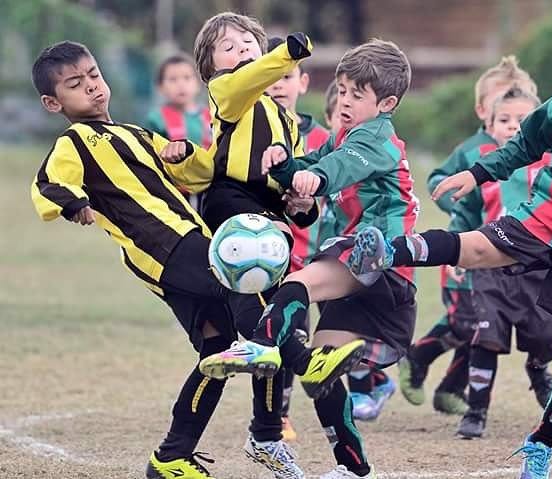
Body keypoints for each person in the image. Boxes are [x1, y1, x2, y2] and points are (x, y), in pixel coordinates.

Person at [348, 15, 552, 479]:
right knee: (479, 248)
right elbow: (521, 149)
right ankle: (388, 250)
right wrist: (476, 173)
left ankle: (541, 443)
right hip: (543, 219)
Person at [29, 40, 356, 479]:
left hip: (185, 244)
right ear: (53, 103)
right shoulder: (75, 140)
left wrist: (183, 154)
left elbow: (200, 173)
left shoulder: (137, 134)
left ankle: (171, 456)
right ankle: (304, 363)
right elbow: (49, 180)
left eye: (93, 76)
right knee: (252, 289)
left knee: (217, 349)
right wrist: (72, 204)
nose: (91, 87)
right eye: (75, 84)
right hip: (167, 245)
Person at [158, 13, 368, 479]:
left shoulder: (285, 119)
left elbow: (298, 203)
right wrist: (285, 52)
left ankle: (268, 434)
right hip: (231, 207)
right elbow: (248, 81)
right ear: (210, 67)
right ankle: (305, 365)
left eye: (248, 42)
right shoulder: (227, 93)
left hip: (270, 219)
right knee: (263, 318)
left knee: (275, 323)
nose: (242, 50)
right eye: (228, 46)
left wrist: (301, 202)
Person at [201, 39, 417, 479]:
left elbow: (336, 168)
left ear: (387, 103)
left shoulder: (376, 140)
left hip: (378, 255)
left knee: (297, 285)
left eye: (359, 94)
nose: (345, 101)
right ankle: (354, 469)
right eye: (341, 90)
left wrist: (311, 177)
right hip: (356, 261)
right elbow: (315, 160)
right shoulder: (346, 133)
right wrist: (284, 163)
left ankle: (259, 346)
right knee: (321, 373)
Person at [402, 56, 539, 416]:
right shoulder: (474, 150)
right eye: (501, 106)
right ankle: (419, 356)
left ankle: (450, 388)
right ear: (484, 109)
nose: (509, 111)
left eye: (519, 102)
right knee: (468, 321)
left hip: (503, 257)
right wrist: (460, 204)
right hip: (468, 250)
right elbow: (438, 180)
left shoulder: (532, 153)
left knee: (482, 324)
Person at [446, 87, 552, 439]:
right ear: (490, 125)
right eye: (504, 120)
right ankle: (476, 410)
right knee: (486, 337)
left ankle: (538, 366)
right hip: (489, 269)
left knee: (543, 334)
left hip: (537, 268)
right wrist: (457, 251)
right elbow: (464, 215)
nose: (513, 127)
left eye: (523, 121)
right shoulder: (483, 171)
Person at [264, 36, 330, 439]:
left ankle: (283, 411)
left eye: (286, 75)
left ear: (302, 82)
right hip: (264, 254)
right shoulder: (248, 133)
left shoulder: (322, 139)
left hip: (310, 254)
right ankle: (276, 415)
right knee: (276, 332)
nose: (278, 84)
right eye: (270, 76)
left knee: (301, 331)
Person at [146, 53, 212, 210]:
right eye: (173, 80)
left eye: (187, 78)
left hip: (210, 189)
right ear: (160, 87)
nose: (181, 85)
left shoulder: (210, 116)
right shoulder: (157, 119)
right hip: (175, 193)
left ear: (198, 83)